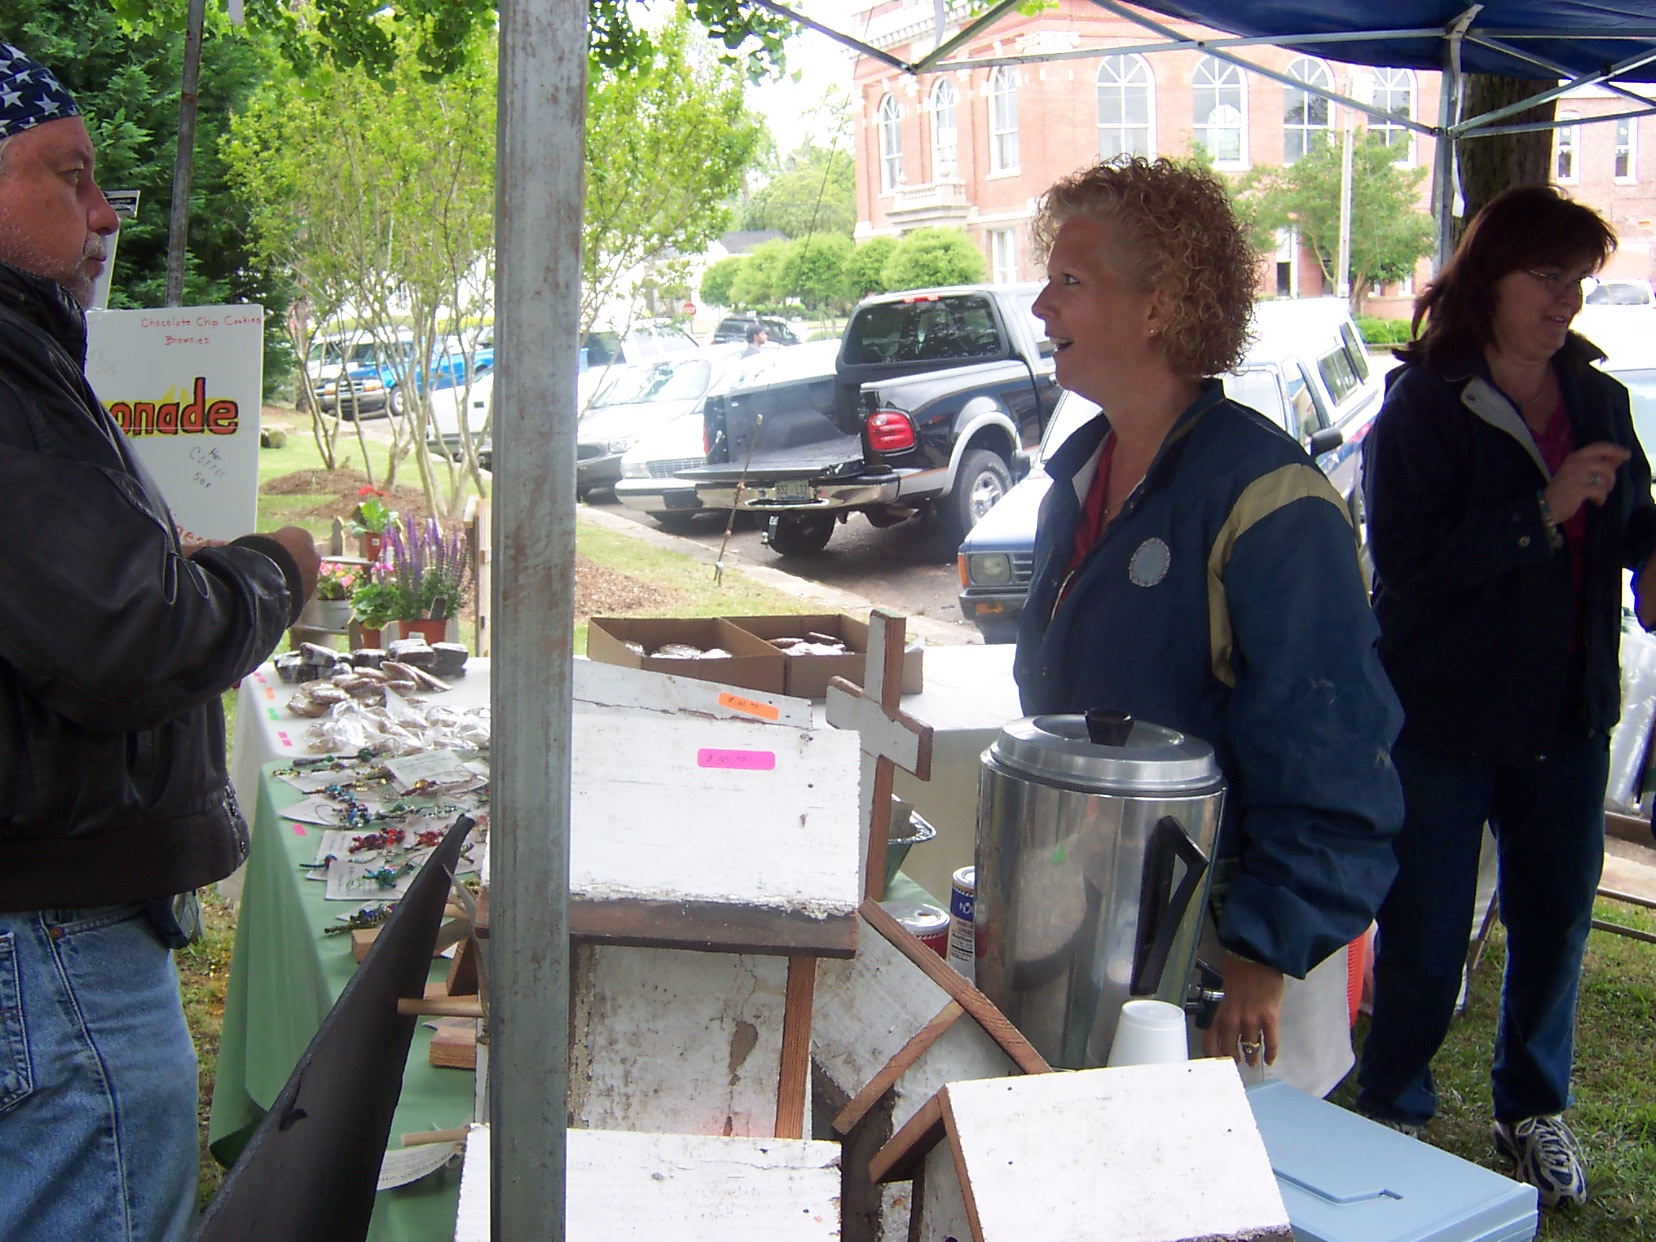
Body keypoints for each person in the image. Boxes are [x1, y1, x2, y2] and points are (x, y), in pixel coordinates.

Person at [0, 44, 320, 1242]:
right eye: (67, 176)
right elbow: (134, 640)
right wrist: (275, 566)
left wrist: (148, 564)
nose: (101, 215)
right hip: (51, 940)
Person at [1015, 156, 1405, 1079]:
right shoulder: (1081, 479)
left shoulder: (1268, 499)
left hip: (1236, 958)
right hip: (1111, 914)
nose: (1040, 306)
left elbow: (1330, 744)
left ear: (1159, 307)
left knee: (1244, 1168)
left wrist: (1265, 948)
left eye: (1071, 281)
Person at [1356, 185, 1656, 1208]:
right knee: (1428, 930)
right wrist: (1540, 511)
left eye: (1579, 280)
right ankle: (1392, 1104)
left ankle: (1531, 1109)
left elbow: (1635, 523)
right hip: (1444, 719)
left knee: (1556, 922)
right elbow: (1406, 566)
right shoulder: (1424, 404)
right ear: (1490, 278)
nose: (1567, 299)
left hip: (1568, 717)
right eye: (1548, 275)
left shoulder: (1598, 399)